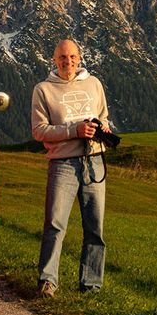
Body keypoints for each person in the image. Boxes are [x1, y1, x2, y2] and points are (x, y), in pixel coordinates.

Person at [31, 38, 110, 297]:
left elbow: (104, 115)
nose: (69, 62)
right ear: (54, 60)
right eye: (63, 58)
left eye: (73, 57)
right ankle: (48, 282)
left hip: (95, 160)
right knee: (55, 223)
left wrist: (104, 128)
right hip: (62, 163)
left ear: (80, 58)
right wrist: (73, 130)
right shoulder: (43, 90)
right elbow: (39, 131)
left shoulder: (94, 84)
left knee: (95, 227)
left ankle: (91, 286)